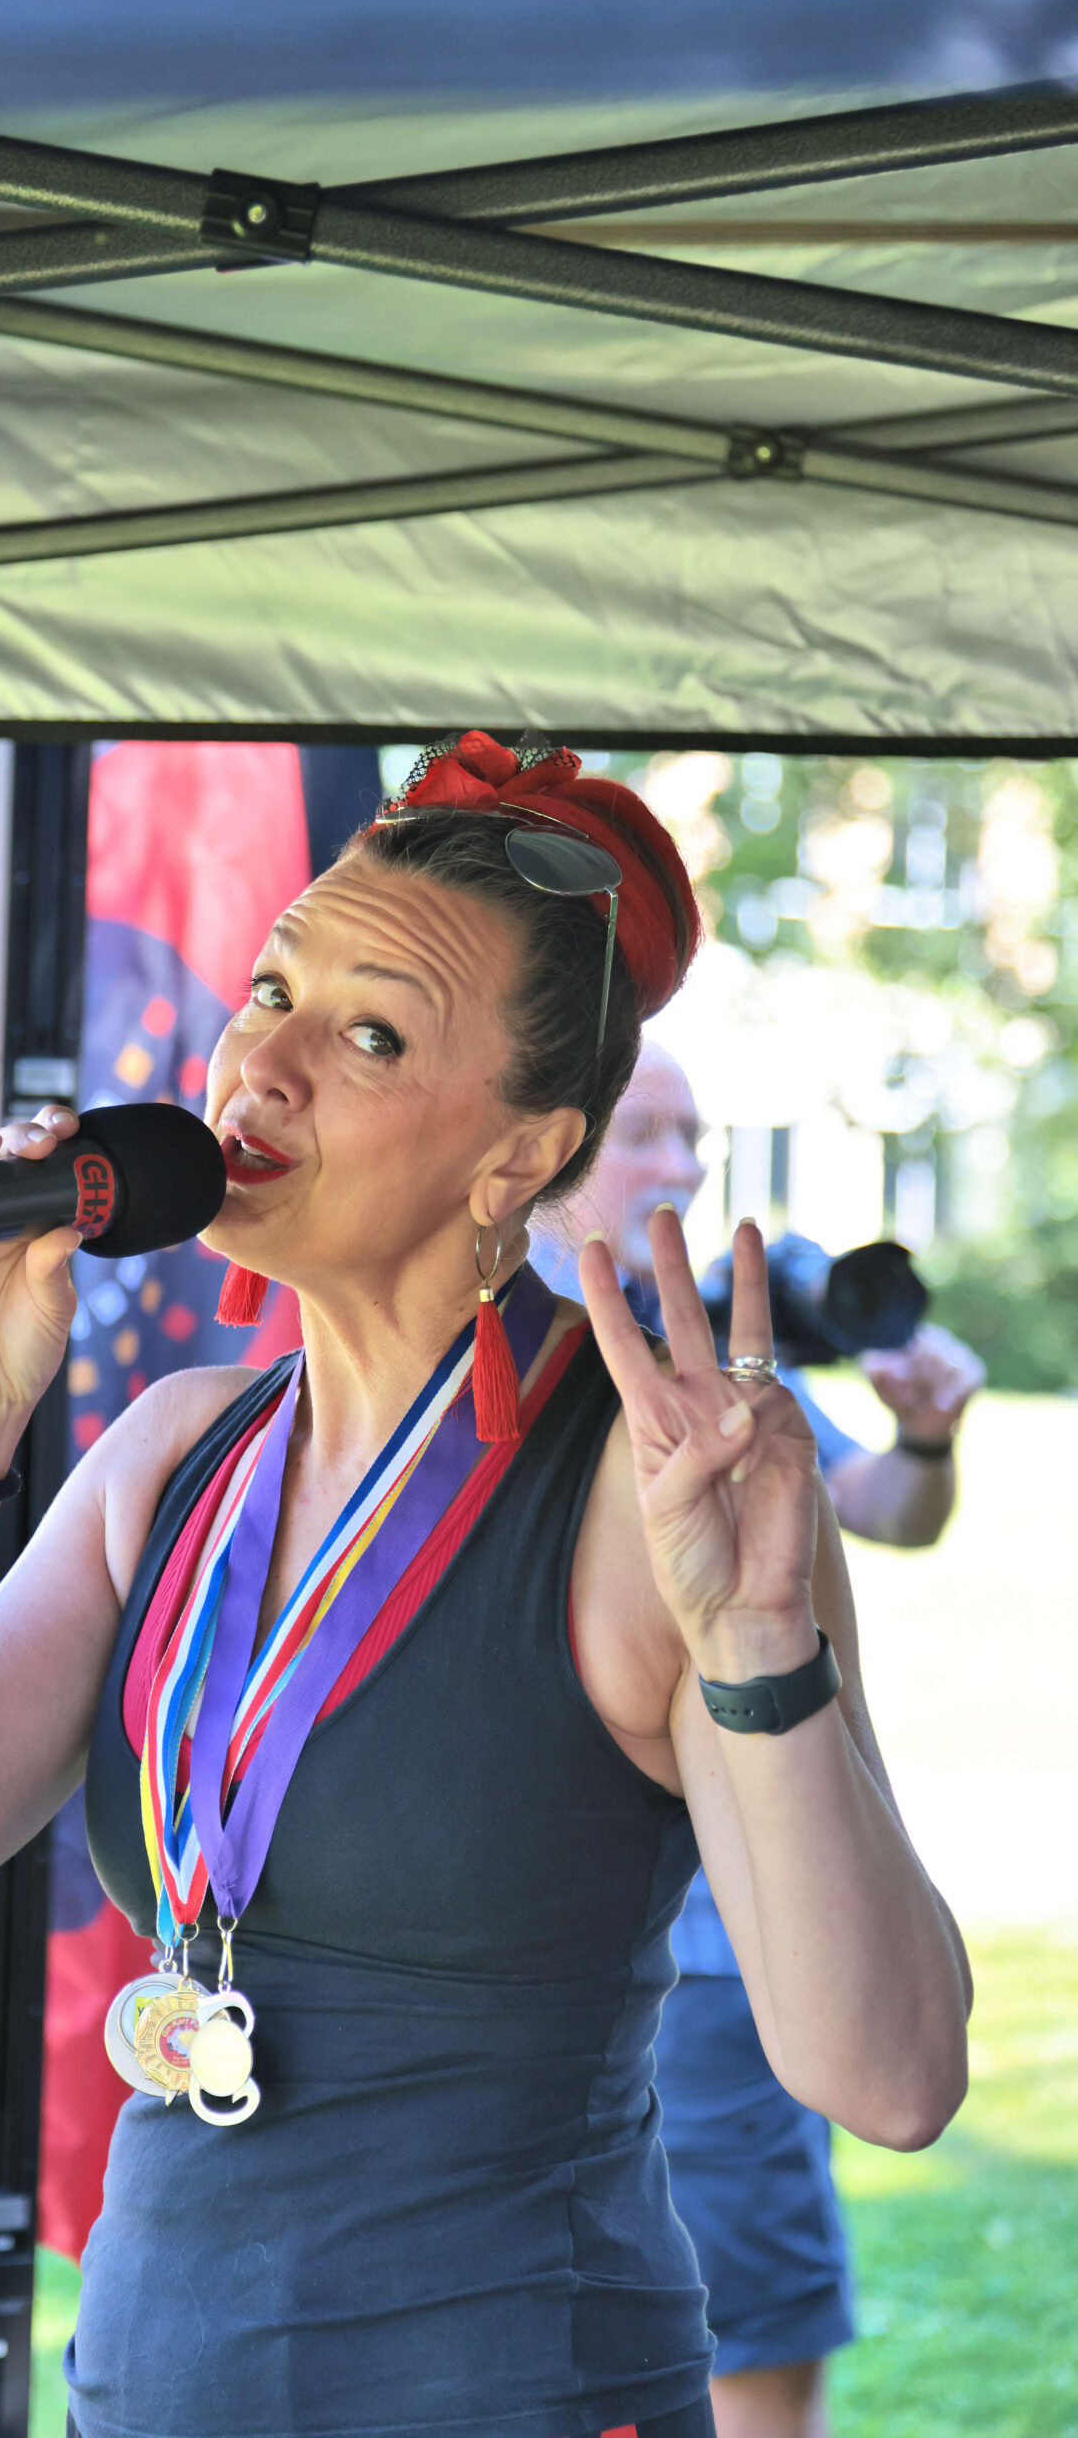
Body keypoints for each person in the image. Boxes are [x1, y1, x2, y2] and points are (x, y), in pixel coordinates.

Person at [0, 734, 970, 2438]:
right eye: (269, 987)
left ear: (518, 1156)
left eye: (367, 1032)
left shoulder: (654, 1488)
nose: (256, 1060)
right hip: (155, 2388)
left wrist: (761, 1647)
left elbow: (891, 2077)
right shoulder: (170, 1452)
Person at [535, 1042, 983, 2438]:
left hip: (737, 1965)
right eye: (645, 1138)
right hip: (518, 1978)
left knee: (753, 2355)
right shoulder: (454, 1375)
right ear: (541, 1152)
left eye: (696, 1140)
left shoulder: (723, 1354)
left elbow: (889, 1514)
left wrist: (924, 1441)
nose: (680, 1169)